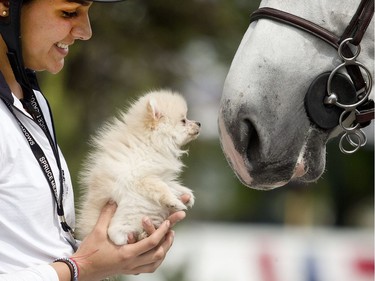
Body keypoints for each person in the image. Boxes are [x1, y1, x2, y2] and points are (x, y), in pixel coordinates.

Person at [0, 0, 189, 280]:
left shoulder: (34, 102)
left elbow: (31, 249)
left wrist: (115, 255)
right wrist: (83, 268)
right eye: (69, 12)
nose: (86, 31)